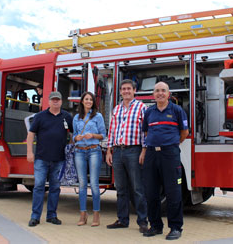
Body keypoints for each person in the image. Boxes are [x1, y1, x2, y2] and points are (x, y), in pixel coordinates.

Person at [142, 81, 189, 240]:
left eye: (163, 90)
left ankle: (176, 227)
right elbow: (146, 133)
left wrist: (170, 144)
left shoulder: (177, 110)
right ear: (153, 95)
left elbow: (184, 132)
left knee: (173, 192)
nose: (160, 93)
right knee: (151, 192)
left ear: (168, 94)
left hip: (170, 155)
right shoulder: (149, 112)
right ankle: (155, 226)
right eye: (157, 91)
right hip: (151, 154)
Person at [106, 79, 148, 233]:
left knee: (137, 188)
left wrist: (144, 151)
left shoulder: (142, 108)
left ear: (134, 90)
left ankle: (143, 222)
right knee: (121, 188)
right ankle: (122, 220)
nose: (126, 91)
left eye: (129, 89)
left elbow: (146, 132)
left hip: (134, 151)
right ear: (120, 91)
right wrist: (109, 151)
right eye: (123, 89)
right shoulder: (116, 109)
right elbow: (111, 131)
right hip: (117, 151)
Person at [27, 91, 73, 227]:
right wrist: (29, 152)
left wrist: (70, 147)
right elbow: (30, 134)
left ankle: (51, 216)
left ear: (61, 101)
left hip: (59, 159)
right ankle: (35, 217)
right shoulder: (40, 116)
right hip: (41, 158)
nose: (55, 101)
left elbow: (72, 134)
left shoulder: (67, 117)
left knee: (55, 188)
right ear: (48, 101)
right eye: (53, 99)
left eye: (58, 99)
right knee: (39, 186)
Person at [73, 92, 106, 227]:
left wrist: (92, 135)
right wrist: (77, 138)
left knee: (94, 184)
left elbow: (103, 135)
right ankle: (83, 213)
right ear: (82, 101)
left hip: (94, 150)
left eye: (90, 99)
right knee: (81, 184)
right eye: (86, 99)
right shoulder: (76, 117)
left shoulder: (98, 116)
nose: (88, 101)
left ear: (93, 102)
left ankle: (96, 214)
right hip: (79, 151)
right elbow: (74, 134)